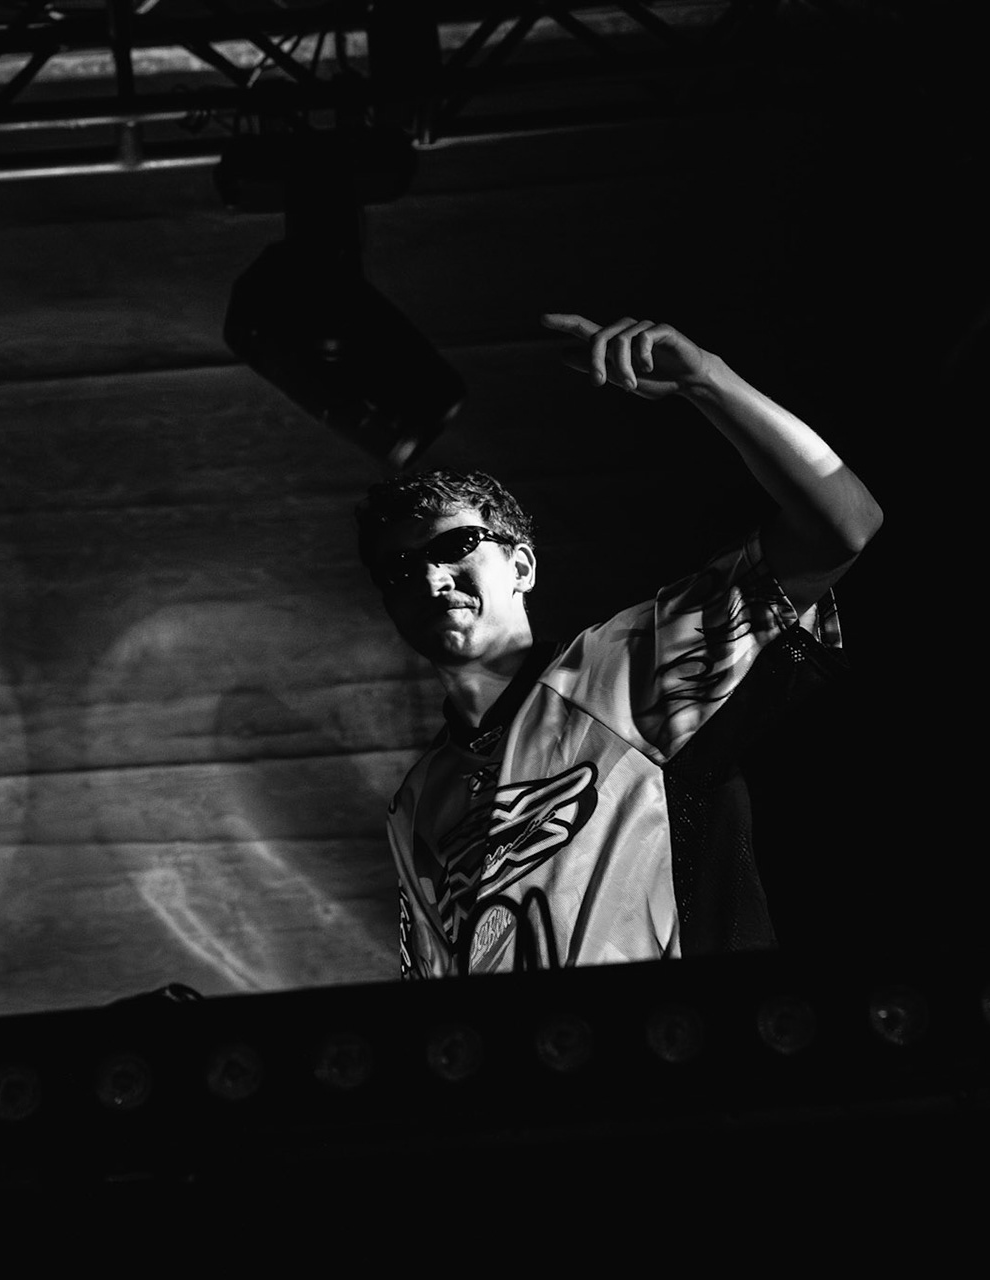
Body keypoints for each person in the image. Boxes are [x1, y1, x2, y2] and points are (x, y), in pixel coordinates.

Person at [358, 313, 883, 976]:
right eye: (400, 570)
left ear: (522, 566)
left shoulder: (622, 672)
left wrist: (708, 380)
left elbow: (844, 527)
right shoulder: (415, 803)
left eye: (456, 545)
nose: (431, 578)